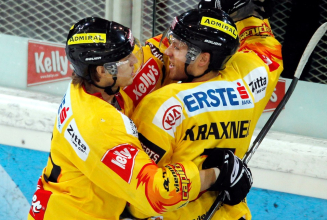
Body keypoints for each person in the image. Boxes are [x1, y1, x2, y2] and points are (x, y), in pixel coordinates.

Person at [26, 17, 249, 220]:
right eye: (126, 59)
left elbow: (162, 50)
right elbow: (155, 192)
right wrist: (216, 174)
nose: (135, 61)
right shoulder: (99, 125)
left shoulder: (98, 88)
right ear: (102, 71)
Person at [128, 0, 283, 219]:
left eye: (178, 47)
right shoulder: (247, 78)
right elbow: (266, 48)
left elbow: (141, 196)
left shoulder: (163, 105)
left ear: (203, 59)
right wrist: (246, 16)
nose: (168, 51)